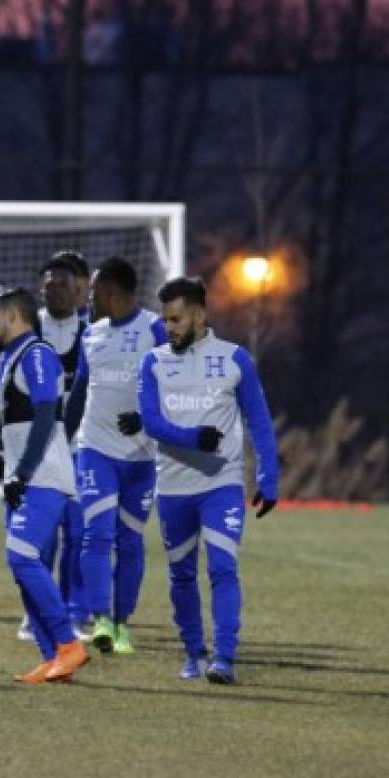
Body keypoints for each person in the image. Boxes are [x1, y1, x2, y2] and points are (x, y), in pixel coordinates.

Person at [138, 276, 278, 684]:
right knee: (181, 573)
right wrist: (193, 438)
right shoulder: (154, 362)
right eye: (165, 321)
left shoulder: (235, 359)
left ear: (200, 314)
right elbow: (151, 422)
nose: (170, 328)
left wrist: (269, 478)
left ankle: (225, 659)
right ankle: (194, 653)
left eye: (177, 319)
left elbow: (260, 421)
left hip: (222, 483)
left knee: (222, 566)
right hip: (173, 486)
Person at [64, 257, 167, 654]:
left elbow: (175, 389)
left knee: (129, 540)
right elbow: (78, 393)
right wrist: (61, 441)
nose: (87, 299)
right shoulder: (91, 334)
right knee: (97, 533)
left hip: (142, 458)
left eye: (91, 292)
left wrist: (144, 419)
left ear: (109, 292)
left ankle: (123, 622)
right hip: (96, 450)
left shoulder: (155, 331)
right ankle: (102, 619)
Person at [0, 287, 91, 683]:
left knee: (22, 557)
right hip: (25, 478)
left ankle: (68, 645)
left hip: (44, 477)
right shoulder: (12, 359)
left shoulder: (37, 354)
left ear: (15, 317)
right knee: (21, 564)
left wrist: (25, 471)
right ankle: (52, 657)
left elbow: (48, 411)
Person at [34, 254, 90, 639]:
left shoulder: (92, 333)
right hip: (36, 447)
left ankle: (73, 611)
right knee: (42, 532)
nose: (54, 291)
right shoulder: (29, 328)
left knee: (78, 532)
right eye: (48, 285)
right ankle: (36, 611)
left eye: (62, 285)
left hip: (80, 445)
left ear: (78, 290)